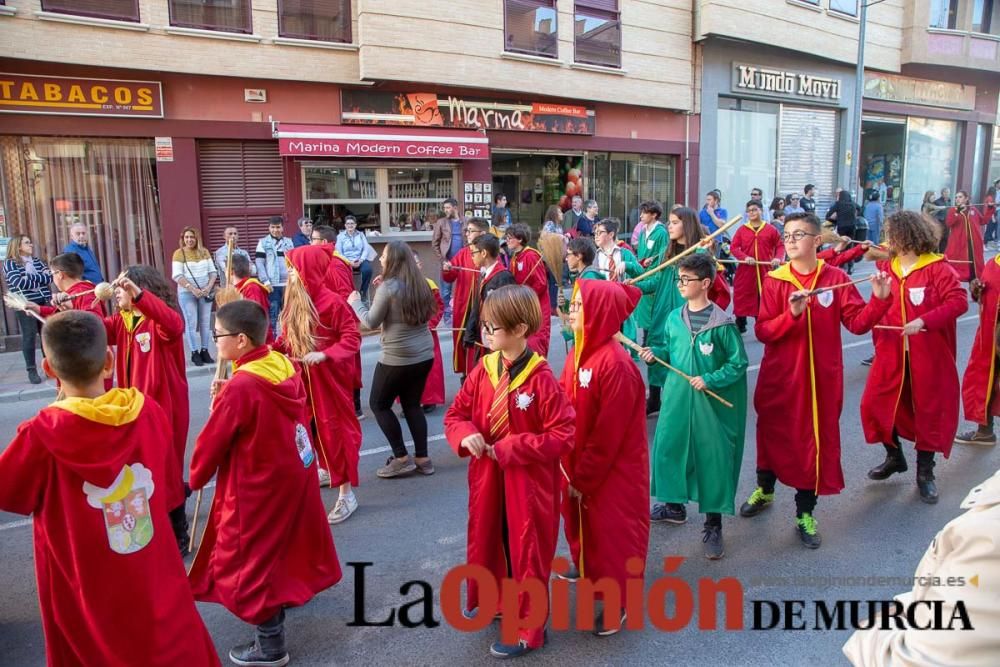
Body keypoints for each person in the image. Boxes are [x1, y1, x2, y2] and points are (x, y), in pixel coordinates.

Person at [0, 310, 218, 666]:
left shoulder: (40, 434)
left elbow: (10, 493)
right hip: (148, 557)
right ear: (110, 361)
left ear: (48, 369)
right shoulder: (146, 410)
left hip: (87, 575)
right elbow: (165, 479)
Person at [189, 300, 341, 667]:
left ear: (241, 340)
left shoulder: (242, 386)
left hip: (257, 482)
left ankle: (271, 646)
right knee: (283, 545)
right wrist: (230, 392)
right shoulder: (280, 364)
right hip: (292, 472)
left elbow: (212, 443)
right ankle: (288, 595)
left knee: (248, 560)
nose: (215, 340)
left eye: (218, 335)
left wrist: (195, 477)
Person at [741, 212, 892, 548]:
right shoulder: (776, 280)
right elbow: (763, 331)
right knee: (770, 436)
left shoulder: (835, 278)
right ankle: (765, 489)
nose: (791, 240)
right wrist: (791, 315)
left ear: (817, 240)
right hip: (779, 378)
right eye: (787, 235)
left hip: (820, 381)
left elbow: (857, 324)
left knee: (812, 444)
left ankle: (805, 512)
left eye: (799, 234)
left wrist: (880, 300)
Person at [443, 285, 575, 658]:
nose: (485, 333)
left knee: (527, 550)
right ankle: (497, 600)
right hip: (488, 478)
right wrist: (466, 435)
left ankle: (530, 629)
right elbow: (457, 415)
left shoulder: (540, 378)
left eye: (493, 327)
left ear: (519, 329)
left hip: (528, 483)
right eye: (484, 325)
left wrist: (512, 447)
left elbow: (563, 434)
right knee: (491, 538)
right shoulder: (484, 370)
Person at [642, 254, 748, 558]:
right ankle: (674, 505)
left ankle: (713, 524)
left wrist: (710, 379)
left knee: (710, 459)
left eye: (685, 280)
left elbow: (738, 363)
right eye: (678, 279)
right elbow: (669, 349)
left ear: (705, 283)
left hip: (707, 403)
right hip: (677, 398)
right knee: (669, 449)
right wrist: (654, 351)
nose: (679, 285)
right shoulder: (675, 318)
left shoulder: (723, 324)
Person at [559, 279, 649, 634]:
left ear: (600, 312)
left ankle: (618, 603)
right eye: (574, 304)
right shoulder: (579, 352)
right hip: (580, 464)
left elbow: (607, 435)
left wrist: (583, 478)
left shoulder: (617, 366)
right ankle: (587, 569)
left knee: (615, 535)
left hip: (612, 471)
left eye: (580, 305)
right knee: (586, 527)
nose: (572, 312)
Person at [861, 210, 968, 504]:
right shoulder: (888, 267)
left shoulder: (937, 268)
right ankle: (895, 456)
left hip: (928, 355)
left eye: (892, 233)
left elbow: (959, 301)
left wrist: (924, 321)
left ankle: (925, 473)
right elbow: (877, 305)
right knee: (875, 404)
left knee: (928, 410)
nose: (887, 239)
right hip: (890, 351)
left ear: (908, 236)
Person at [843, 470, 1000, 666]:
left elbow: (916, 661)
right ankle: (897, 458)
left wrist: (872, 627)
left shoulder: (991, 531)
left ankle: (925, 475)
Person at [104, 266, 191, 553]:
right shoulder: (123, 320)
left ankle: (179, 532)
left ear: (140, 289)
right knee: (142, 469)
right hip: (133, 410)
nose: (117, 290)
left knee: (167, 469)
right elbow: (93, 331)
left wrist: (138, 294)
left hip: (165, 409)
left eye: (122, 286)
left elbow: (174, 325)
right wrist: (62, 307)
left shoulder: (160, 321)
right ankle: (152, 525)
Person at [275, 245, 362, 524]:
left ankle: (346, 493)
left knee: (336, 433)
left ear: (307, 271)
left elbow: (352, 339)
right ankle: (326, 468)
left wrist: (325, 354)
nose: (289, 274)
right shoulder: (295, 302)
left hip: (329, 381)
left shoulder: (333, 303)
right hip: (302, 381)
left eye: (293, 269)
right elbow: (286, 341)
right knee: (306, 432)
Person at [350, 242, 437, 478]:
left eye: (384, 255)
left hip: (397, 357)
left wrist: (355, 302)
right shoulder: (421, 282)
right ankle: (423, 458)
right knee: (412, 405)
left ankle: (400, 457)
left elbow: (371, 322)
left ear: (394, 260)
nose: (380, 259)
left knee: (379, 404)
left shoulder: (388, 287)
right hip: (424, 354)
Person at [633, 206, 715, 415]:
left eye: (675, 222)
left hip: (685, 314)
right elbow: (655, 281)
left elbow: (709, 279)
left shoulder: (698, 252)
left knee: (681, 356)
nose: (669, 226)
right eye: (669, 222)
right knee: (655, 353)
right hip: (661, 313)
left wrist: (705, 252)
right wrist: (633, 286)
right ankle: (655, 398)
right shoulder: (666, 253)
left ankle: (681, 400)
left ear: (687, 225)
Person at [956, 258, 1000, 446]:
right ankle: (984, 431)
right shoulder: (994, 263)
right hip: (989, 335)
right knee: (983, 381)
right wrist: (977, 290)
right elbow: (987, 295)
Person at [441, 217, 490, 380]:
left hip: (484, 306)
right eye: (466, 231)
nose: (467, 234)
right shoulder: (463, 253)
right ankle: (465, 376)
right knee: (463, 341)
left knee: (483, 341)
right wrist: (447, 269)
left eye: (470, 231)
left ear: (482, 233)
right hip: (464, 307)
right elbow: (449, 277)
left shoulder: (490, 252)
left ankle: (482, 375)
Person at [3, 234, 52, 384]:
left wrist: (30, 278)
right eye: (27, 243)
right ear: (18, 246)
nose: (31, 245)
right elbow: (18, 283)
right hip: (25, 303)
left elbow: (50, 278)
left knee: (47, 334)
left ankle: (49, 366)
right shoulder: (10, 263)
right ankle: (32, 370)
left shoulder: (37, 261)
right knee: (30, 336)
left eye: (30, 242)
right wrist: (39, 277)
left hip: (44, 301)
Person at [463, 234, 516, 371]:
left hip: (496, 339)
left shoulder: (503, 277)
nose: (472, 256)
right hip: (484, 337)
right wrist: (470, 330)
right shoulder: (483, 275)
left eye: (474, 252)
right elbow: (477, 305)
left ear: (484, 253)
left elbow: (507, 312)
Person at [731, 199, 783, 334]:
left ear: (761, 211)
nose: (751, 213)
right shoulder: (742, 230)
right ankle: (741, 323)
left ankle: (761, 326)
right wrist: (744, 257)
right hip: (745, 271)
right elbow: (734, 247)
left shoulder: (771, 229)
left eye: (754, 210)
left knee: (762, 298)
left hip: (764, 270)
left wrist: (777, 258)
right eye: (749, 211)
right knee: (742, 297)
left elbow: (780, 246)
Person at [171, 226, 217, 367]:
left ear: (197, 238)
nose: (189, 240)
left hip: (205, 291)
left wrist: (208, 288)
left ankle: (205, 350)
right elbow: (177, 275)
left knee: (205, 323)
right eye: (187, 237)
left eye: (192, 237)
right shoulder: (179, 253)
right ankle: (194, 352)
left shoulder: (204, 252)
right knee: (191, 323)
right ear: (183, 239)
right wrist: (192, 289)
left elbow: (213, 272)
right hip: (187, 293)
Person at [505, 223, 552, 357]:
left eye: (510, 238)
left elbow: (541, 284)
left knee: (536, 341)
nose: (507, 240)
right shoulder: (514, 257)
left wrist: (524, 296)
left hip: (536, 306)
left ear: (519, 239)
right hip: (522, 305)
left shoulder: (531, 256)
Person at [414, 253, 445, 412]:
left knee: (429, 368)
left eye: (417, 262)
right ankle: (410, 401)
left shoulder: (429, 284)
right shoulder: (398, 285)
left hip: (426, 331)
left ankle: (429, 400)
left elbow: (438, 308)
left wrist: (430, 324)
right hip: (407, 334)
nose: (416, 266)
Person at [255, 215, 294, 336]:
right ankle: (273, 346)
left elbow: (294, 262)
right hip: (272, 286)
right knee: (272, 316)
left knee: (290, 316)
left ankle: (290, 343)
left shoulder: (289, 242)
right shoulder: (262, 243)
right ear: (269, 228)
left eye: (278, 227)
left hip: (288, 284)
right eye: (272, 227)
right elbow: (259, 263)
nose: (275, 230)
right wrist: (266, 282)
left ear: (282, 228)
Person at [230, 254, 274, 344]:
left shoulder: (251, 288)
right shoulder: (236, 289)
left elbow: (255, 316)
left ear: (231, 272)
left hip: (257, 340)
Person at [432, 197, 464, 321]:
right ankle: (446, 315)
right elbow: (435, 243)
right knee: (446, 290)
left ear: (455, 208)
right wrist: (442, 260)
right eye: (444, 208)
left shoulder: (465, 221)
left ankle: (461, 313)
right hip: (447, 261)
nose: (445, 210)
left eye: (448, 208)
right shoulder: (441, 222)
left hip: (463, 261)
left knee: (463, 287)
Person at [944, 190, 985, 282]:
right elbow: (949, 223)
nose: (957, 199)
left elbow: (983, 221)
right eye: (956, 197)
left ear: (966, 199)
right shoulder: (953, 210)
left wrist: (990, 209)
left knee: (973, 257)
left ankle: (974, 275)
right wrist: (957, 212)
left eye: (960, 197)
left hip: (973, 241)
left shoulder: (973, 209)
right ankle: (960, 275)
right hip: (959, 241)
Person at [337, 215, 375, 301]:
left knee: (368, 270)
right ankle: (349, 294)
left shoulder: (361, 235)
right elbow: (339, 252)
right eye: (348, 223)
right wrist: (349, 262)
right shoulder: (340, 236)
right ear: (345, 225)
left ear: (355, 225)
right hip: (346, 261)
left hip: (359, 259)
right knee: (342, 273)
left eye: (352, 223)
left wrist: (361, 260)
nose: (350, 225)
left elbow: (366, 249)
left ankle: (363, 292)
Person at [826, 190, 859, 274]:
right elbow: (860, 209)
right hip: (852, 227)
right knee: (850, 246)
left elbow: (828, 215)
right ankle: (850, 267)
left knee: (842, 246)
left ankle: (841, 265)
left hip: (842, 227)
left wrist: (835, 220)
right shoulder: (852, 203)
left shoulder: (838, 204)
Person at [983, 185, 998, 249]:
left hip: (988, 215)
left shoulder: (988, 197)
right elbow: (990, 207)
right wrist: (993, 217)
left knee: (988, 230)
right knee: (988, 231)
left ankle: (985, 245)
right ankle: (984, 245)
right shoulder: (990, 198)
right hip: (989, 216)